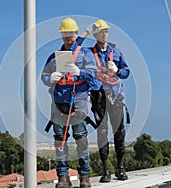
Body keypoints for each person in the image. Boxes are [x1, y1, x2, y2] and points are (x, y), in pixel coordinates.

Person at [41, 17, 99, 188]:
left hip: (78, 99)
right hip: (59, 100)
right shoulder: (54, 57)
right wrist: (49, 78)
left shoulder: (85, 54)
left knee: (81, 137)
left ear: (76, 34)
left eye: (71, 33)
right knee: (60, 139)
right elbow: (44, 76)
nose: (68, 36)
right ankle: (63, 177)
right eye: (65, 33)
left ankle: (85, 175)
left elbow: (94, 77)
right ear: (61, 35)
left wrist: (79, 72)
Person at [89, 19, 130, 182]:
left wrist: (117, 70)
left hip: (115, 96)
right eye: (101, 31)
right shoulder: (89, 54)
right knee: (102, 133)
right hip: (99, 97)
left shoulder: (116, 51)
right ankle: (106, 171)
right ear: (95, 34)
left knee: (119, 133)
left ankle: (120, 168)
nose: (105, 33)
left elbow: (127, 72)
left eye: (106, 31)